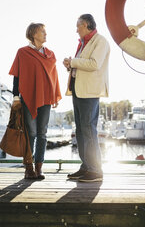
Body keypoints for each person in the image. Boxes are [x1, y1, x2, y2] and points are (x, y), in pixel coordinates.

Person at [9, 23, 62, 180]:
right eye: (42, 31)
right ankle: (29, 168)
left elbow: (54, 77)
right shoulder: (23, 52)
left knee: (42, 133)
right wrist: (15, 96)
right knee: (30, 133)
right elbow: (16, 75)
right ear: (33, 34)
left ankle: (39, 167)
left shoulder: (50, 54)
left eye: (45, 31)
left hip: (45, 97)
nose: (45, 34)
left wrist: (55, 95)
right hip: (28, 98)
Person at [64, 14, 110, 182]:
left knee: (89, 130)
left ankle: (95, 170)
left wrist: (73, 62)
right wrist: (71, 65)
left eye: (78, 26)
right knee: (81, 131)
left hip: (89, 92)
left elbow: (94, 64)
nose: (76, 30)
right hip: (78, 90)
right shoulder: (85, 43)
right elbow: (82, 66)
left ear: (85, 25)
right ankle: (86, 167)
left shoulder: (100, 41)